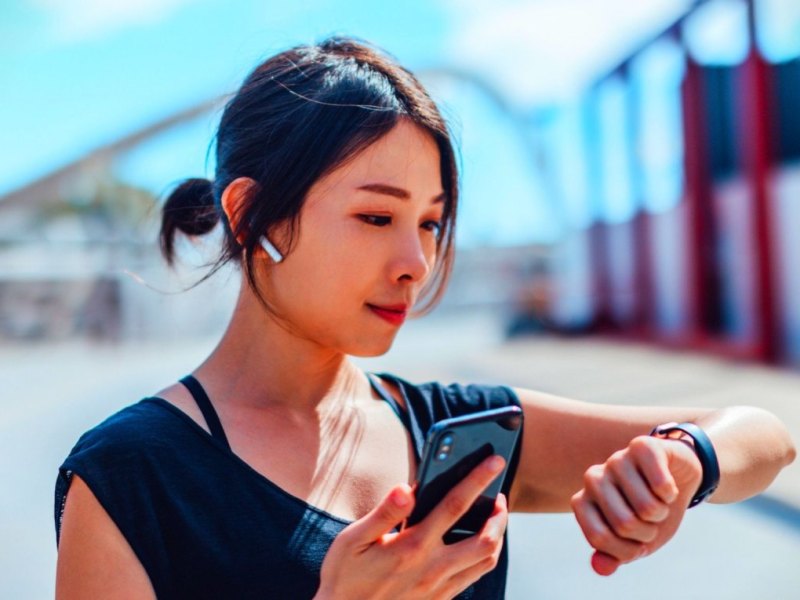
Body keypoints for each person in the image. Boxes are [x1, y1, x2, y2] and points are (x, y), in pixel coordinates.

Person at [54, 37, 796, 600]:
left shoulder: (455, 435)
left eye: (432, 223)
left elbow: (766, 435)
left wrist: (682, 460)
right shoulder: (130, 478)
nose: (416, 261)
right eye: (376, 216)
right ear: (250, 215)